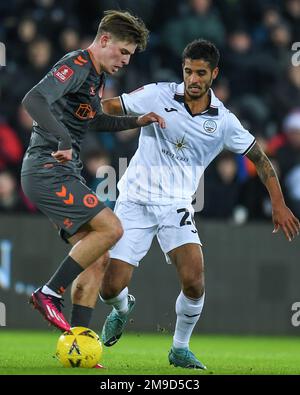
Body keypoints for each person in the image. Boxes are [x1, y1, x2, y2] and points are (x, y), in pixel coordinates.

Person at [71, 39, 300, 369]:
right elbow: (110, 107)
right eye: (188, 71)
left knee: (194, 279)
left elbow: (261, 159)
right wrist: (81, 107)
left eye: (201, 73)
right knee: (110, 289)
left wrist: (278, 204)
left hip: (176, 205)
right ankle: (123, 308)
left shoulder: (222, 121)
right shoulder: (158, 94)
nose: (193, 78)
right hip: (134, 200)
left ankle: (179, 347)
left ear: (214, 74)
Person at [20, 10, 165, 333]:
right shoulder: (78, 64)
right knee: (112, 228)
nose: (126, 60)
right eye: (123, 51)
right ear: (103, 40)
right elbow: (33, 99)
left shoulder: (95, 77)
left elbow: (94, 119)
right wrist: (61, 137)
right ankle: (49, 293)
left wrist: (136, 121)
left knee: (97, 253)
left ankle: (80, 338)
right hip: (47, 168)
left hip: (62, 172)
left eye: (130, 54)